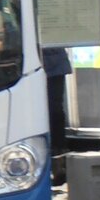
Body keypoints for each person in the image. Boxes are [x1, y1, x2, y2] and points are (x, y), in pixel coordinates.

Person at [42, 46, 71, 185]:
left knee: (54, 111)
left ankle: (59, 164)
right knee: (54, 111)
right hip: (52, 64)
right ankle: (58, 164)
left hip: (52, 65)